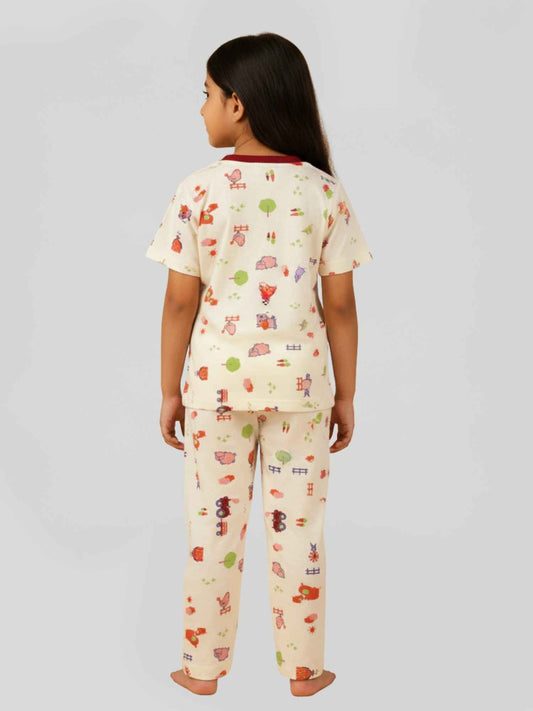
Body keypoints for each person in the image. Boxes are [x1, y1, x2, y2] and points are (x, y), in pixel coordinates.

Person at [145, 32, 374, 697]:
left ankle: (201, 670)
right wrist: (345, 394)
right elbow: (340, 308)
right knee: (299, 531)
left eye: (207, 95)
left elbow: (179, 303)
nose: (202, 110)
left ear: (238, 104)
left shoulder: (197, 190)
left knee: (211, 529)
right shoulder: (323, 192)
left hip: (214, 387)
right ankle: (304, 671)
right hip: (302, 388)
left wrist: (168, 390)